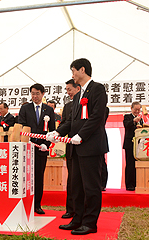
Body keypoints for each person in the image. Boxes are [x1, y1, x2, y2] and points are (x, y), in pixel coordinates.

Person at [47, 58, 108, 235]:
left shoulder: (97, 89)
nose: (72, 75)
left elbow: (96, 117)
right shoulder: (77, 95)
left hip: (90, 146)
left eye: (73, 71)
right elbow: (71, 122)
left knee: (91, 186)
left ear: (82, 70)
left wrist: (81, 135)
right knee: (77, 187)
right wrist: (57, 133)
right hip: (75, 148)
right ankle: (77, 219)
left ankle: (90, 223)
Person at [18, 83, 55, 214]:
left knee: (38, 176)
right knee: (25, 176)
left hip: (41, 149)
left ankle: (37, 204)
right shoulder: (25, 108)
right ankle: (24, 203)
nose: (35, 96)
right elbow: (21, 125)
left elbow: (52, 130)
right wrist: (27, 140)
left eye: (37, 93)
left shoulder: (48, 110)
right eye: (33, 93)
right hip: (27, 148)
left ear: (43, 94)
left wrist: (46, 143)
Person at [59, 79, 80, 219]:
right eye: (66, 90)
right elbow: (64, 123)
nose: (68, 92)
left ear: (77, 88)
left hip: (85, 145)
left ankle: (81, 211)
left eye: (70, 89)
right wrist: (56, 133)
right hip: (71, 147)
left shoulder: (88, 103)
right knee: (71, 180)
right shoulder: (67, 106)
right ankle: (70, 209)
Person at [123, 102, 143, 191]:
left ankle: (137, 183)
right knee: (130, 164)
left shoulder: (141, 118)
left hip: (139, 144)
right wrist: (134, 120)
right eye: (135, 109)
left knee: (138, 164)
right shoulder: (127, 117)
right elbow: (126, 125)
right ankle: (129, 184)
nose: (137, 111)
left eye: (139, 110)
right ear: (131, 108)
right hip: (129, 144)